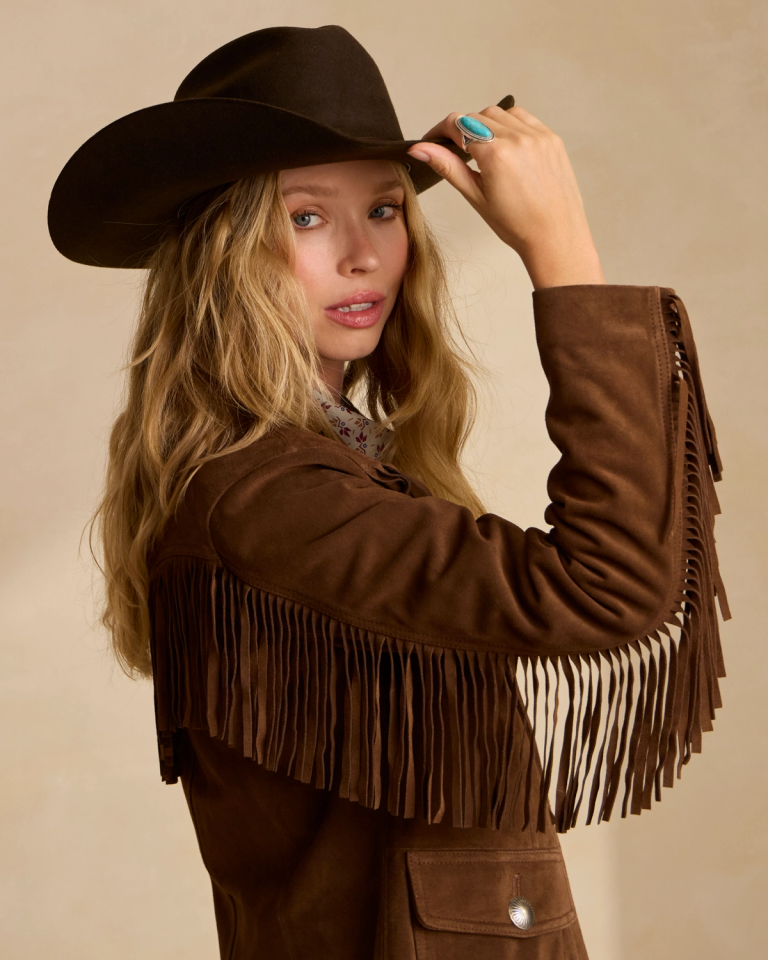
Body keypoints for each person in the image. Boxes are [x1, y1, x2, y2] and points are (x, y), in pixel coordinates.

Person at [48, 24, 729, 960]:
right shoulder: (269, 499)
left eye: (383, 208)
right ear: (223, 253)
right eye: (306, 217)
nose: (363, 253)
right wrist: (563, 253)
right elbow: (605, 585)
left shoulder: (327, 474)